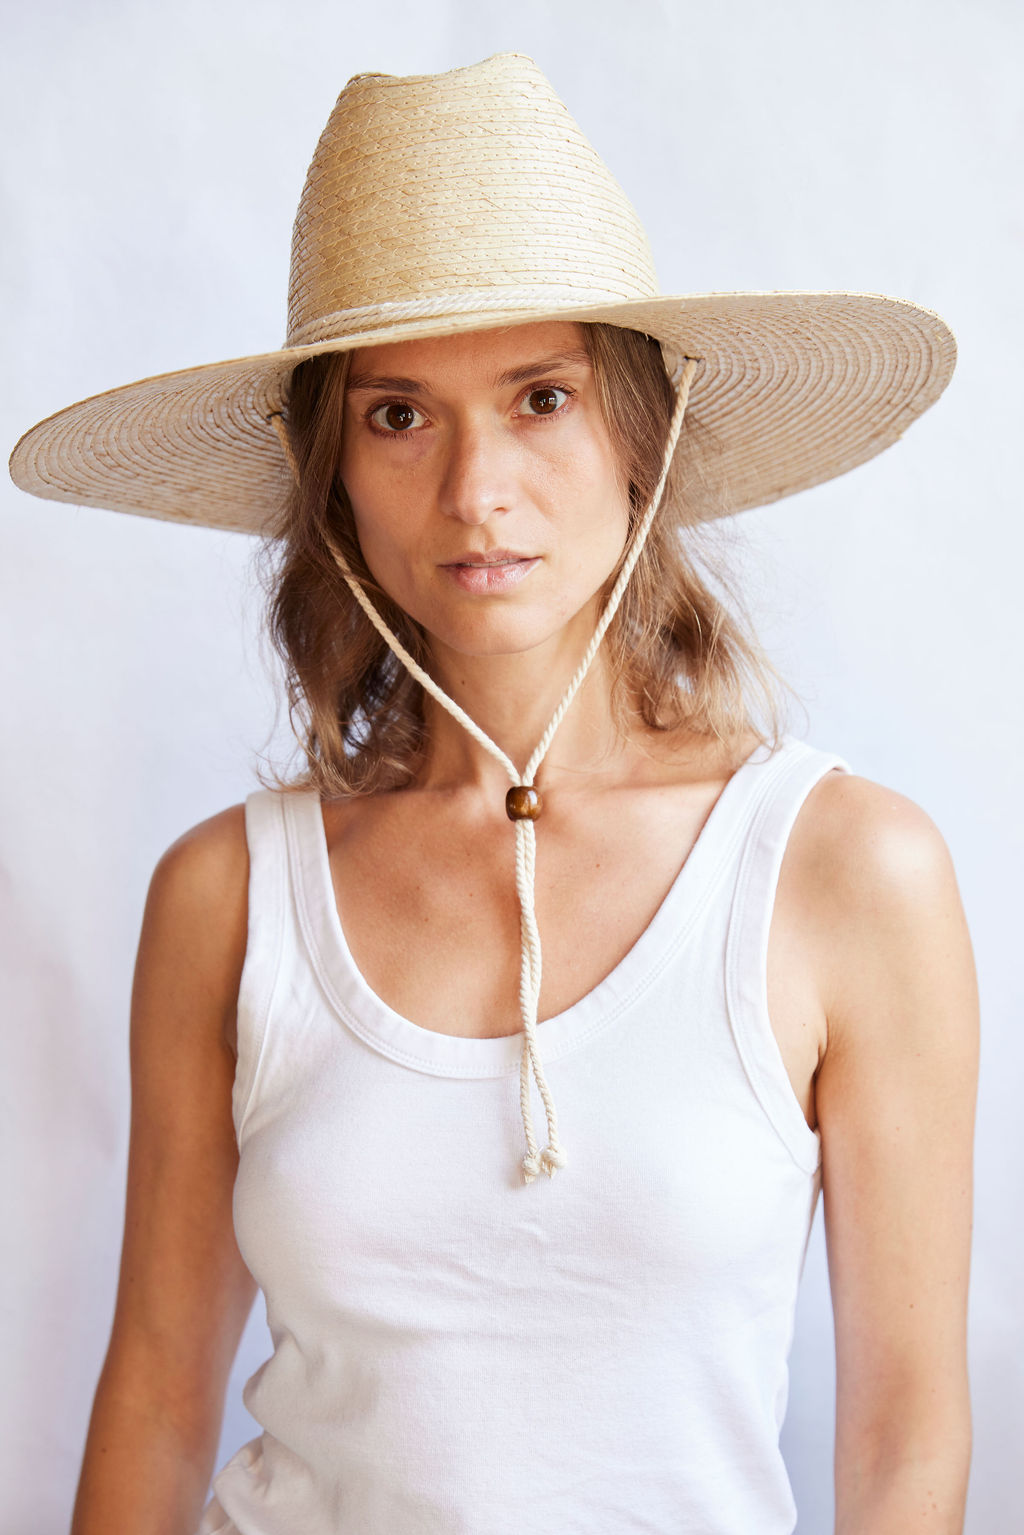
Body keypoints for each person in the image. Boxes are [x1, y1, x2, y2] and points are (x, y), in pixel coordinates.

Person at [9, 52, 978, 1535]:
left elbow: (907, 1434)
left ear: (640, 431)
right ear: (325, 463)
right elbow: (152, 1392)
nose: (476, 492)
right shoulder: (227, 894)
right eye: (399, 415)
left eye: (541, 398)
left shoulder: (845, 873)